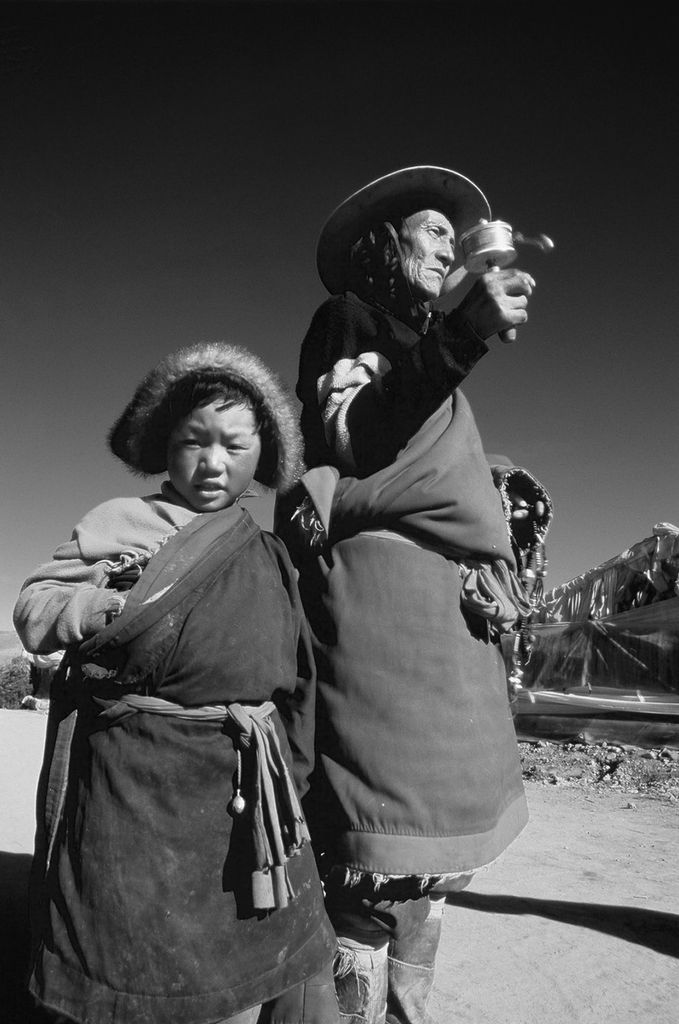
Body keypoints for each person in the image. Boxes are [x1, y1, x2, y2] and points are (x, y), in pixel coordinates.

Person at [275, 166, 552, 1023]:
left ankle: (404, 1006)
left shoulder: (409, 337)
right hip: (381, 622)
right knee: (378, 835)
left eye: (450, 235)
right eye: (430, 229)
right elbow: (354, 439)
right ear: (383, 243)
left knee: (428, 860)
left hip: (438, 621)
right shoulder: (347, 320)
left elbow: (423, 448)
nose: (447, 244)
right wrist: (461, 337)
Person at [13, 342, 340, 1024]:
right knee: (138, 960)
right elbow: (36, 605)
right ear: (166, 447)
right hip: (138, 787)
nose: (212, 462)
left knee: (262, 957)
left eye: (234, 444)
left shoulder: (268, 554)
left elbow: (297, 679)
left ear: (262, 457)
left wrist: (296, 783)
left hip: (247, 781)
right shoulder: (118, 524)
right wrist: (104, 608)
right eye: (193, 441)